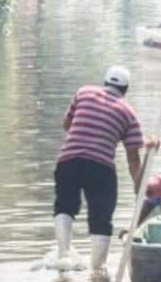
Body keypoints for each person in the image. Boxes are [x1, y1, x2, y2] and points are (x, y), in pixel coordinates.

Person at [53, 66, 152, 271]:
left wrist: (84, 135)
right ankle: (98, 269)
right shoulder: (129, 113)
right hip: (101, 166)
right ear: (126, 89)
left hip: (68, 160)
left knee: (65, 205)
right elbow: (133, 159)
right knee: (101, 216)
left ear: (105, 82)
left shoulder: (84, 92)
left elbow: (66, 124)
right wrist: (139, 189)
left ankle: (63, 254)